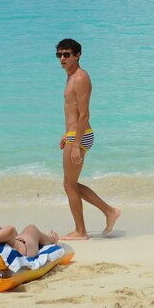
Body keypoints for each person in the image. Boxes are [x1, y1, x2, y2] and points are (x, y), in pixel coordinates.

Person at [56, 38, 121, 240]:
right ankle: (109, 212)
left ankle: (81, 231)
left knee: (69, 184)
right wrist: (67, 134)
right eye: (59, 55)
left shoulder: (80, 78)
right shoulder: (70, 76)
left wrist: (75, 144)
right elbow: (73, 112)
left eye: (67, 54)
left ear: (78, 55)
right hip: (75, 134)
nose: (62, 58)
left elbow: (84, 114)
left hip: (80, 136)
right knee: (70, 183)